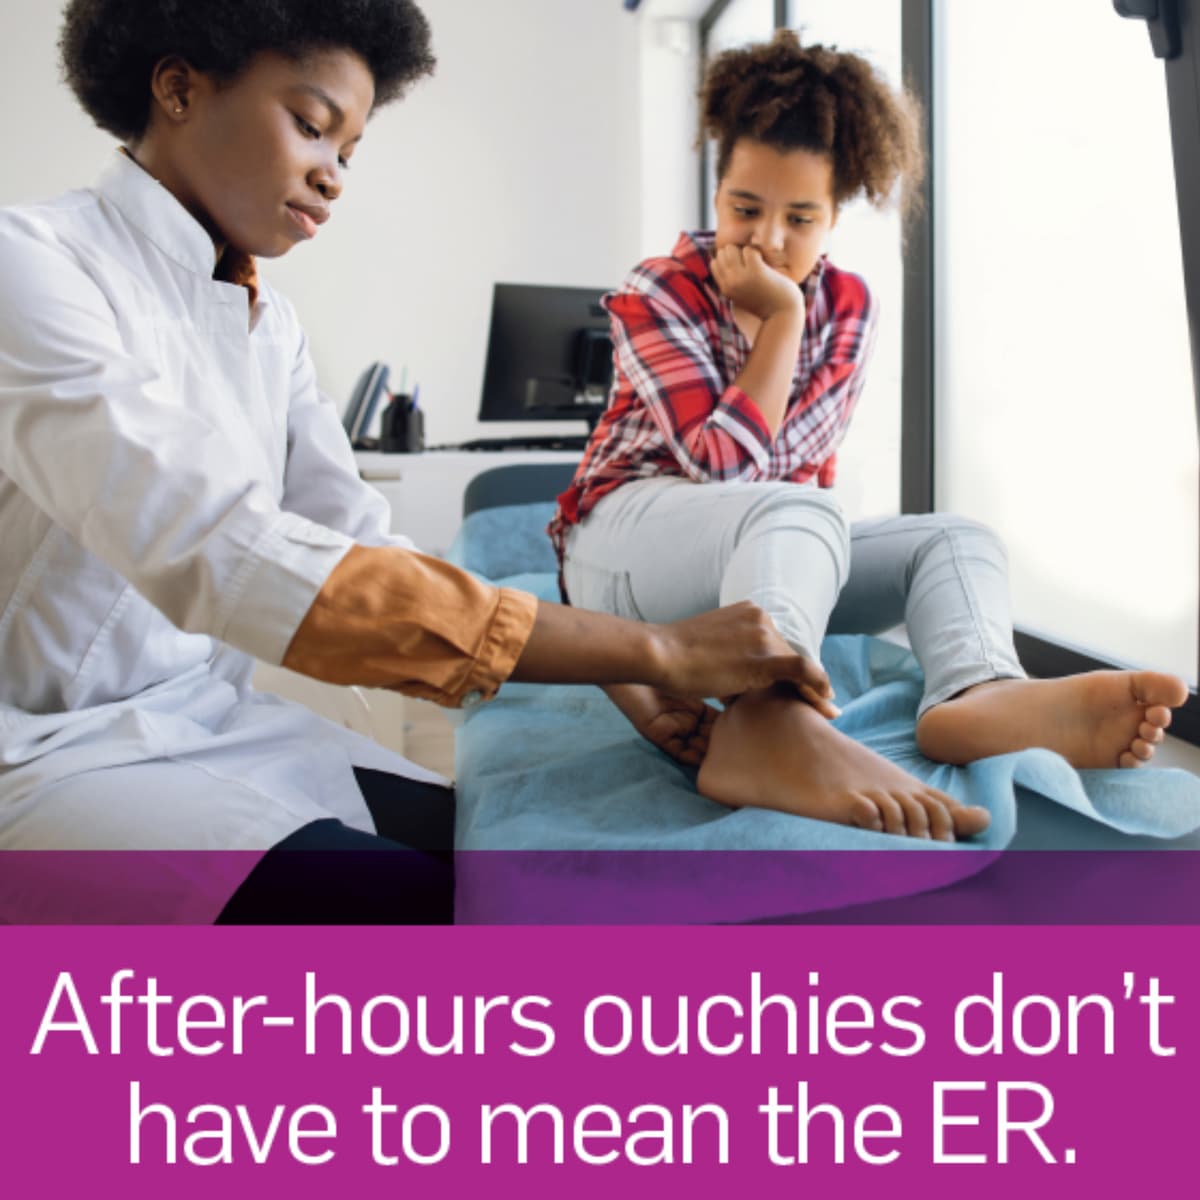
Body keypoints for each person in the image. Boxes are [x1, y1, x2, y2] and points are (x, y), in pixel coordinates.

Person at [0, 1, 832, 924]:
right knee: (443, 928)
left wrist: (614, 672)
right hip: (41, 755)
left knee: (512, 871)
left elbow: (359, 538)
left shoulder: (266, 326)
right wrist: (655, 647)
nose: (332, 175)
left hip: (208, 723)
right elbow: (212, 547)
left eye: (348, 151)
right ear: (178, 87)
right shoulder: (32, 265)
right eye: (311, 126)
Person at [549, 31, 1189, 842]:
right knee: (793, 509)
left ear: (835, 214)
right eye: (746, 208)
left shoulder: (849, 304)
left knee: (954, 539)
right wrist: (782, 318)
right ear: (716, 197)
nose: (770, 241)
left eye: (801, 217)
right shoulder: (659, 290)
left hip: (759, 552)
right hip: (625, 544)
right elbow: (722, 470)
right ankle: (768, 716)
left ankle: (973, 692)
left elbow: (795, 487)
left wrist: (791, 319)